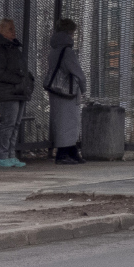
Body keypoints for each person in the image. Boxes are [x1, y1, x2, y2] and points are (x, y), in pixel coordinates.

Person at [0, 18, 33, 168]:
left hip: (18, 90)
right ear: (1, 30)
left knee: (16, 124)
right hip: (8, 91)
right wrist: (18, 80)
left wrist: (27, 79)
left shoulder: (13, 47)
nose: (14, 32)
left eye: (13, 29)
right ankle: (2, 155)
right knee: (9, 124)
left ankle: (11, 154)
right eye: (10, 29)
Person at [46, 17, 87, 165]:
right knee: (70, 122)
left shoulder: (54, 50)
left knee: (61, 121)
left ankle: (71, 151)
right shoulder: (67, 51)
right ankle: (63, 154)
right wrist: (84, 88)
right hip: (67, 91)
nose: (73, 36)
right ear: (68, 33)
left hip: (55, 90)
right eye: (72, 33)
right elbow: (77, 72)